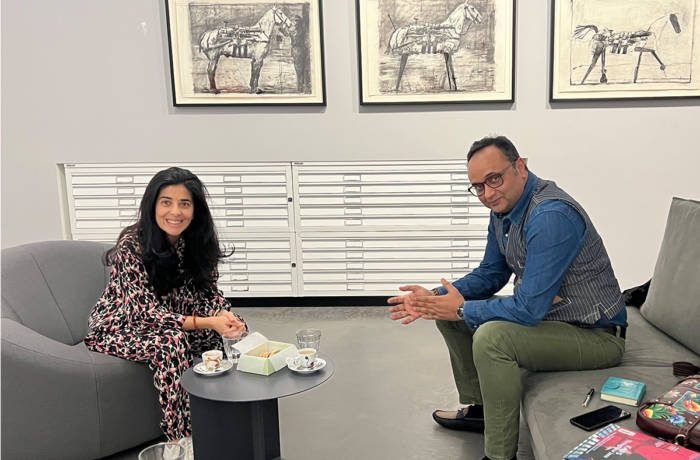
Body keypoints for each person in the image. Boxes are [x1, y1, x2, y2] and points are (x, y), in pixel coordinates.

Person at [387, 136, 627, 460]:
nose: (487, 193)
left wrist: (459, 308)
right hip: (553, 320)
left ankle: (500, 455)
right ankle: (481, 411)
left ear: (521, 168)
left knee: (491, 337)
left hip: (595, 335)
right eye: (478, 187)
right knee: (449, 313)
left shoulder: (550, 216)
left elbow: (528, 309)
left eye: (494, 179)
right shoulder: (504, 210)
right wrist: (436, 297)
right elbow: (491, 273)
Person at [84, 167, 247, 442]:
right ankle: (182, 439)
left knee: (233, 328)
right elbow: (146, 314)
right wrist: (206, 321)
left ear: (195, 210)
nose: (176, 212)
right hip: (119, 327)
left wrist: (223, 314)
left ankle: (226, 412)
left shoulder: (193, 241)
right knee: (171, 343)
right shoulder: (131, 245)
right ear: (153, 206)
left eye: (185, 203)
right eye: (166, 202)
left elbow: (208, 292)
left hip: (173, 321)